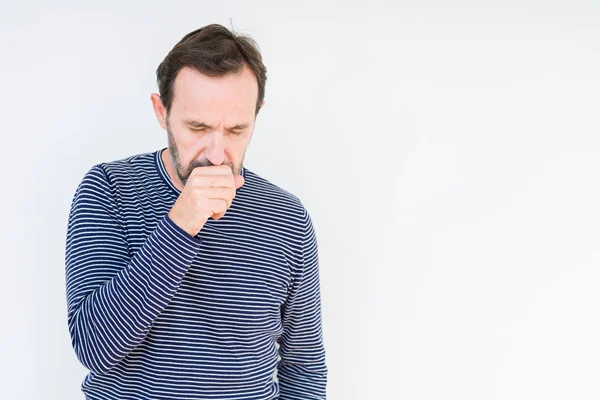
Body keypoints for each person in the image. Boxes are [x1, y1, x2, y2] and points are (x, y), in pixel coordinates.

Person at [64, 23, 327, 399]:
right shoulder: (110, 189)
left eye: (236, 130)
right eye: (198, 127)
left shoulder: (287, 216)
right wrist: (181, 222)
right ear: (161, 111)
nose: (217, 155)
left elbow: (303, 366)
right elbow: (95, 348)